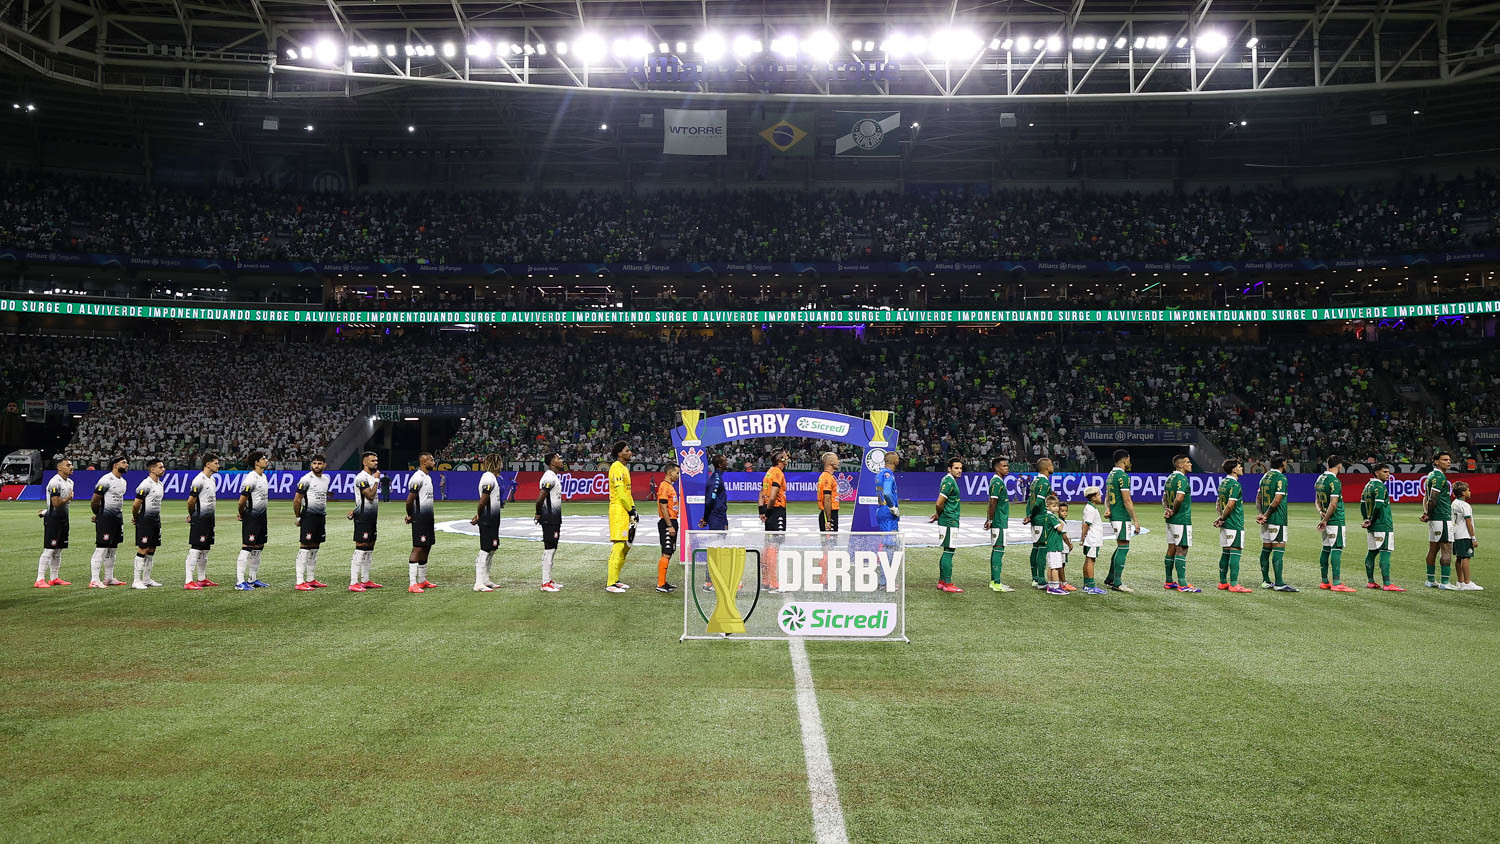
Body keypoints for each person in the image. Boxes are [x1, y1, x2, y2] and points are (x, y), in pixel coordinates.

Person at [1315, 455, 1356, 592]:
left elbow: (1316, 501)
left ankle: (1324, 581)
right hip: (1335, 520)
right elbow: (1333, 504)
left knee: (1326, 548)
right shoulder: (1335, 481)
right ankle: (1337, 582)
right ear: (1339, 465)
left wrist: (1321, 513)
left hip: (1326, 519)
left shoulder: (1320, 479)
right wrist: (1326, 519)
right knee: (1337, 548)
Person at [1360, 464, 1405, 591]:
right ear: (1376, 473)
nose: (1388, 474)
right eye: (1384, 472)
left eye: (1388, 472)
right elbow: (1379, 507)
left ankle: (1371, 581)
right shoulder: (1380, 486)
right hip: (1383, 525)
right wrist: (1372, 520)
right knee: (1385, 552)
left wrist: (1366, 519)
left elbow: (1362, 505)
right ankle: (1387, 583)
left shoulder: (1367, 486)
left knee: (1372, 552)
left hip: (1372, 526)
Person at [1212, 459, 1253, 593]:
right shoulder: (1235, 485)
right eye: (1240, 466)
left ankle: (1223, 582)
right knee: (1235, 552)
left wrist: (1220, 517)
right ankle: (1234, 584)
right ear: (1234, 469)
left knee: (1225, 553)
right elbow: (1230, 505)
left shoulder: (1223, 483)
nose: (1242, 468)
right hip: (1234, 522)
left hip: (1226, 524)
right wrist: (1223, 517)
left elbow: (1218, 503)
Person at [1256, 456, 1297, 592]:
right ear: (1283, 463)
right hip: (1277, 519)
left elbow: (1258, 497)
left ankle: (1266, 580)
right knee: (1278, 549)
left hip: (1266, 521)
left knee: (1266, 550)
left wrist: (1261, 514)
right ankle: (1279, 583)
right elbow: (1278, 499)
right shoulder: (1281, 478)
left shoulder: (1265, 477)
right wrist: (1267, 515)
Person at [89, 456, 129, 589]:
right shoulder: (105, 480)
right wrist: (98, 515)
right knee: (101, 548)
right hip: (106, 518)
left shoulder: (123, 482)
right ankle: (94, 579)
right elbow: (95, 500)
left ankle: (109, 577)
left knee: (112, 549)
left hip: (117, 518)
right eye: (124, 462)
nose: (127, 464)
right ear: (115, 465)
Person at [1162, 453, 1200, 592]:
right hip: (1181, 518)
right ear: (1180, 465)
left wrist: (1167, 509)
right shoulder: (1182, 479)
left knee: (1171, 547)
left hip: (1171, 520)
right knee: (1182, 549)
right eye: (1188, 462)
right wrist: (1173, 510)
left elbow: (1164, 497)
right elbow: (1179, 499)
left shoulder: (1170, 478)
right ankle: (1183, 583)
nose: (1190, 464)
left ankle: (1169, 581)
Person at [292, 454, 331, 590]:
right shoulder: (306, 479)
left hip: (320, 517)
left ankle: (310, 579)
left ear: (324, 465)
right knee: (305, 547)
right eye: (314, 463)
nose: (316, 466)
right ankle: (299, 581)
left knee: (315, 547)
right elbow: (297, 500)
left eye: (319, 463)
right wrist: (299, 517)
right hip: (308, 516)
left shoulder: (326, 479)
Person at [1103, 449, 1140, 593]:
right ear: (1125, 460)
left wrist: (1108, 509)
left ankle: (1110, 578)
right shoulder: (1123, 476)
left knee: (1120, 545)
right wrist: (1135, 520)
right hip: (1121, 517)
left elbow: (1107, 497)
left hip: (1114, 515)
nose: (1130, 462)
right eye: (1129, 460)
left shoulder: (1111, 475)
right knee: (1124, 546)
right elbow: (1127, 499)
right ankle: (1117, 582)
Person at [1420, 451, 1457, 589]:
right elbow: (1433, 497)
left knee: (1433, 549)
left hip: (1434, 519)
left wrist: (1426, 513)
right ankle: (1445, 582)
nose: (1448, 462)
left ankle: (1430, 580)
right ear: (1436, 462)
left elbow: (1426, 497)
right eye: (1445, 459)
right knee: (1446, 549)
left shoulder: (1430, 476)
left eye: (1449, 459)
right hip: (1441, 517)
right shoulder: (1439, 477)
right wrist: (1429, 513)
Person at [36, 458, 75, 588]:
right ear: (60, 468)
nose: (71, 467)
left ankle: (54, 578)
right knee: (49, 549)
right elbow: (56, 503)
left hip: (64, 519)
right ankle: (40, 579)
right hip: (53, 520)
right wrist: (68, 498)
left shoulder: (70, 482)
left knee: (58, 550)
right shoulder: (54, 482)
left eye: (71, 465)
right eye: (68, 465)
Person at [235, 451, 271, 590]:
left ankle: (252, 579)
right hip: (251, 517)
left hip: (262, 517)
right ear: (256, 462)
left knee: (259, 547)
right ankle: (239, 582)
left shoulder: (263, 477)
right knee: (247, 547)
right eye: (263, 458)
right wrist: (242, 514)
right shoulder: (251, 478)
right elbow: (241, 501)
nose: (266, 460)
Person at [184, 454, 220, 590]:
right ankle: (188, 580)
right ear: (208, 464)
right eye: (216, 463)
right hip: (200, 519)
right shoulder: (199, 480)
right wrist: (192, 515)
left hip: (209, 519)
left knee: (205, 549)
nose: (218, 465)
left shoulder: (212, 480)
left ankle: (201, 578)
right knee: (196, 548)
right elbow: (191, 501)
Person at [348, 451, 383, 592]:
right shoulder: (362, 477)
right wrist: (376, 480)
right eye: (372, 460)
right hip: (363, 517)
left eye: (376, 460)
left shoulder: (370, 476)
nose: (376, 462)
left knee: (369, 547)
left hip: (371, 517)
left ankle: (365, 579)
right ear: (365, 462)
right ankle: (353, 582)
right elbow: (369, 495)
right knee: (361, 547)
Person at [471, 453, 505, 592]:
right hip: (487, 519)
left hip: (493, 518)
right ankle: (478, 582)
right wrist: (479, 515)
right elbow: (483, 501)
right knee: (485, 549)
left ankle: (485, 579)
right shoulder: (488, 478)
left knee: (492, 549)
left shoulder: (493, 478)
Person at [605, 441, 636, 593]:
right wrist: (630, 510)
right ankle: (610, 583)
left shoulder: (624, 468)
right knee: (618, 545)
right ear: (619, 453)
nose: (630, 452)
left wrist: (633, 509)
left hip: (626, 510)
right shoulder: (616, 468)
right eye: (627, 450)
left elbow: (628, 493)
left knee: (624, 547)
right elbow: (621, 494)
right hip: (618, 509)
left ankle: (616, 579)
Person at [130, 458, 166, 589]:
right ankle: (136, 580)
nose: (163, 469)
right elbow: (135, 505)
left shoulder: (160, 484)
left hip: (156, 520)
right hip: (145, 521)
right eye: (160, 467)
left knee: (152, 549)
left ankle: (146, 579)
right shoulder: (145, 484)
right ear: (152, 469)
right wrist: (136, 518)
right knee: (143, 549)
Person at [405, 452, 438, 593]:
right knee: (418, 548)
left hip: (428, 518)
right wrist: (410, 515)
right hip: (419, 518)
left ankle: (422, 580)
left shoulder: (427, 477)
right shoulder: (417, 478)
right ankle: (412, 583)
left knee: (427, 546)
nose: (434, 461)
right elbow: (409, 500)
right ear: (424, 462)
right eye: (431, 459)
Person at [930, 457, 964, 593]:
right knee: (949, 551)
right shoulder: (949, 481)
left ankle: (942, 581)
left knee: (946, 550)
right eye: (956, 468)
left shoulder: (948, 480)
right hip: (950, 520)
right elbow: (939, 503)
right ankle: (948, 583)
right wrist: (939, 514)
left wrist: (939, 515)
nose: (959, 471)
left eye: (961, 468)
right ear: (949, 469)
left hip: (947, 519)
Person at [759, 450, 789, 591]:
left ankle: (765, 581)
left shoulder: (769, 472)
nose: (787, 460)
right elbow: (772, 496)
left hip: (769, 511)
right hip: (776, 511)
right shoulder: (778, 472)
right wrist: (769, 511)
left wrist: (762, 511)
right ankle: (773, 583)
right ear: (780, 460)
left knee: (768, 546)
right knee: (774, 548)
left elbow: (761, 494)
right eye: (785, 458)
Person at [982, 456, 1013, 592]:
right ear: (996, 468)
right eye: (1004, 466)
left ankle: (995, 581)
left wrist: (989, 518)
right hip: (999, 521)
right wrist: (991, 520)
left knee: (998, 549)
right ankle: (996, 582)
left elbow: (991, 502)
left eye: (1007, 466)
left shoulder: (998, 481)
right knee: (998, 549)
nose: (1007, 468)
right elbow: (992, 502)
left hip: (999, 520)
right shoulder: (996, 482)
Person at [535, 451, 565, 592]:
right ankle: (545, 582)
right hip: (549, 519)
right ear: (552, 462)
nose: (561, 460)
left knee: (552, 548)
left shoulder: (553, 476)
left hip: (554, 518)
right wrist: (538, 513)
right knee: (549, 548)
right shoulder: (548, 477)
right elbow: (540, 499)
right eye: (558, 458)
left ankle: (549, 580)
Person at [1024, 457, 1055, 590]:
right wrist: (1032, 515)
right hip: (1041, 518)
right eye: (1051, 464)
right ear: (1047, 467)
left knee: (1036, 547)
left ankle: (1035, 578)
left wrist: (1028, 515)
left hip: (1035, 518)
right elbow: (1039, 502)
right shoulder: (1044, 482)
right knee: (1042, 548)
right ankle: (1041, 580)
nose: (1053, 466)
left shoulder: (1035, 481)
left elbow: (1030, 500)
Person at [1040, 495, 1074, 595]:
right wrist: (1061, 523)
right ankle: (1055, 586)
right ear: (1048, 506)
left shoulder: (1047, 516)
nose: (1057, 508)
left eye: (1057, 506)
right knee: (1055, 566)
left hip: (1050, 545)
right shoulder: (1051, 517)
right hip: (1054, 545)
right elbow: (1060, 528)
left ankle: (1050, 585)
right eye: (1054, 506)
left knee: (1051, 566)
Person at [1452, 481, 1481, 590]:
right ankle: (1467, 582)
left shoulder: (1454, 503)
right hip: (1464, 535)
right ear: (1463, 493)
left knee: (1459, 557)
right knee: (1466, 557)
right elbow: (1468, 522)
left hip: (1455, 534)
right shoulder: (1465, 505)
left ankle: (1460, 581)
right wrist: (1473, 538)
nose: (1470, 492)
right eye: (1468, 490)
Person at [656, 464, 680, 593]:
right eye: (677, 473)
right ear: (670, 473)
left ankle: (663, 582)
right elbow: (663, 507)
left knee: (669, 552)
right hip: (667, 523)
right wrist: (669, 525)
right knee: (667, 551)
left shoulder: (669, 486)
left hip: (672, 521)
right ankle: (660, 584)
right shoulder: (664, 486)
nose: (678, 476)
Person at [1079, 487, 1107, 594]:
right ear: (1094, 497)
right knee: (1091, 561)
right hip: (1093, 539)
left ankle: (1087, 584)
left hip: (1090, 539)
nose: (1101, 496)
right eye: (1099, 495)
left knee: (1088, 560)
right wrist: (1082, 537)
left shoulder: (1090, 508)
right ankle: (1091, 586)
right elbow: (1086, 525)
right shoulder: (1091, 509)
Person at [698, 453, 729, 531]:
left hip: (721, 515)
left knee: (722, 541)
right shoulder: (716, 480)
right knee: (717, 541)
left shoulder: (717, 477)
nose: (727, 462)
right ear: (720, 465)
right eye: (725, 461)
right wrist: (705, 518)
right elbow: (709, 501)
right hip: (716, 517)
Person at [875, 450, 901, 532]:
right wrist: (892, 507)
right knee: (890, 542)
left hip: (881, 509)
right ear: (895, 461)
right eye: (897, 459)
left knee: (886, 540)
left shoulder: (880, 473)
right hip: (888, 511)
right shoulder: (888, 474)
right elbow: (887, 492)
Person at [816, 451, 841, 534]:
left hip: (829, 513)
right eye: (837, 459)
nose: (839, 462)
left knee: (829, 544)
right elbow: (827, 499)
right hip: (829, 514)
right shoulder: (827, 478)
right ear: (831, 462)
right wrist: (829, 520)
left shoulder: (828, 477)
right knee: (829, 543)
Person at [1055, 501, 1076, 592]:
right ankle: (1063, 583)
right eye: (1062, 511)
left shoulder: (1062, 521)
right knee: (1061, 565)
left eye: (1066, 511)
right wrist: (1069, 544)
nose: (1065, 513)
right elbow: (1064, 536)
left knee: (1061, 565)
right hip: (1063, 547)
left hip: (1063, 547)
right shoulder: (1060, 522)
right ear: (1058, 512)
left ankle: (1060, 581)